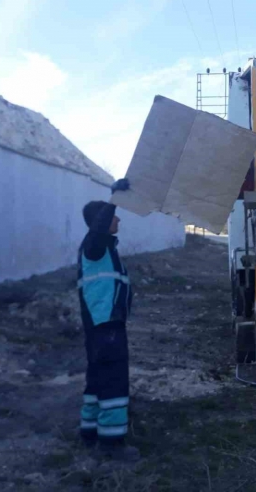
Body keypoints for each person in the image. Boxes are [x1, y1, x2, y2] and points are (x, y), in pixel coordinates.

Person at [77, 178, 141, 460]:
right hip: (106, 325)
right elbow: (100, 225)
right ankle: (113, 445)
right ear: (100, 221)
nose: (118, 220)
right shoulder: (94, 245)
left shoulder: (102, 250)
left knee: (97, 378)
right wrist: (114, 197)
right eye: (114, 215)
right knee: (114, 380)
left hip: (101, 325)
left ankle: (89, 432)